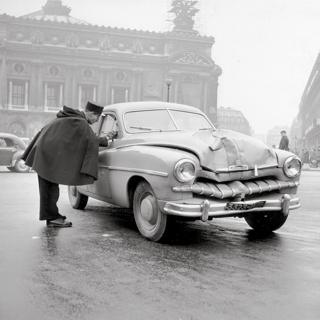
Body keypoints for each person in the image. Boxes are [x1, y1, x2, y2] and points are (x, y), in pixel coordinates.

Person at [22, 101, 117, 228]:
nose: (96, 121)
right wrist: (108, 138)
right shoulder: (80, 122)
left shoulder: (72, 117)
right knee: (50, 189)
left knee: (48, 188)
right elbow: (90, 141)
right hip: (46, 155)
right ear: (90, 113)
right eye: (97, 117)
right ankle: (52, 218)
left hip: (44, 153)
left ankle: (52, 216)